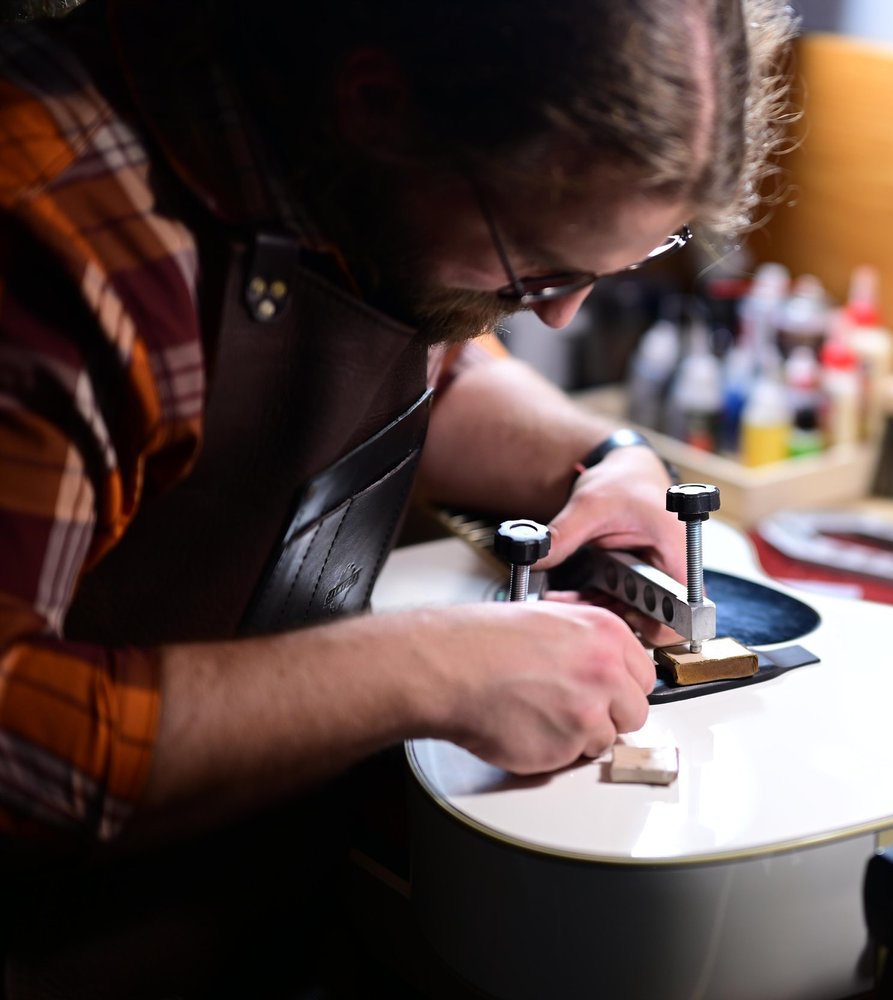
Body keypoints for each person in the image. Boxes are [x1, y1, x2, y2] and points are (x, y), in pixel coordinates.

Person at [0, 0, 796, 992]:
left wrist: (606, 456)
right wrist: (425, 671)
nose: (562, 311)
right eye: (539, 270)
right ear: (378, 106)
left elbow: (437, 358)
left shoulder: (335, 165)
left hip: (248, 899)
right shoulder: (51, 235)